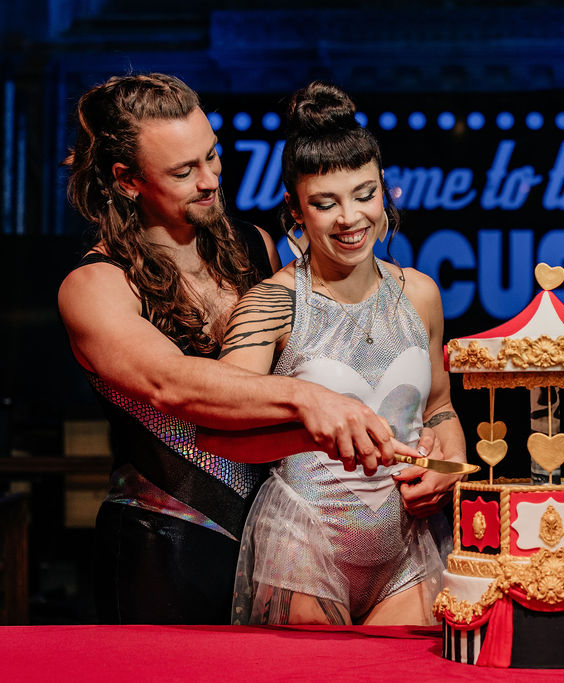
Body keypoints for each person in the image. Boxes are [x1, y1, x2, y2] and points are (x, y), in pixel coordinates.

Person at [57, 73, 423, 624]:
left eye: (212, 155)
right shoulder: (95, 285)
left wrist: (415, 431)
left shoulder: (254, 245)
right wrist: (307, 399)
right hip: (166, 541)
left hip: (276, 536)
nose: (210, 180)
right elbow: (172, 384)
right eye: (184, 171)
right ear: (128, 180)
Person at [198, 81, 466, 626]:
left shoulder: (420, 294)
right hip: (304, 545)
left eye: (364, 194)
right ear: (295, 209)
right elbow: (219, 424)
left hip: (408, 545)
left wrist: (449, 467)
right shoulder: (272, 304)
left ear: (384, 189)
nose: (350, 218)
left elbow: (440, 407)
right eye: (325, 203)